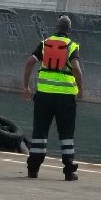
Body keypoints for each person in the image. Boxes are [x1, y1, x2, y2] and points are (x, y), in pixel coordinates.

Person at [22, 15, 84, 181]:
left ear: (56, 28)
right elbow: (76, 69)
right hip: (66, 98)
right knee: (66, 134)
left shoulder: (45, 43)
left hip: (43, 96)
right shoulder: (71, 46)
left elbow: (29, 62)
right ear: (69, 30)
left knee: (40, 132)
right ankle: (69, 171)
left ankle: (33, 169)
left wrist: (26, 86)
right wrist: (81, 90)